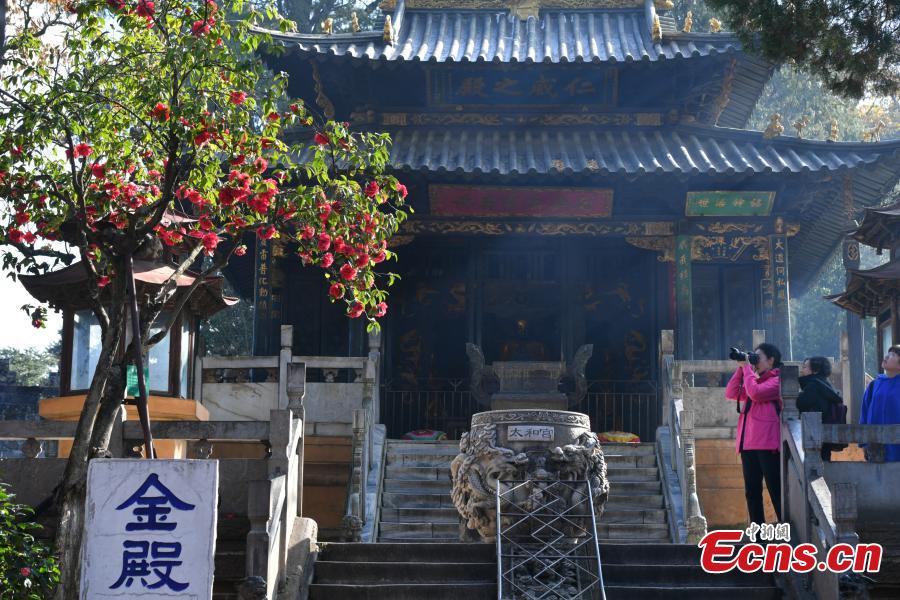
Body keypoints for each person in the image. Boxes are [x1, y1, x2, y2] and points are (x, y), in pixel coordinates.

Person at [725, 343, 783, 526]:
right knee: (752, 492)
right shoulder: (754, 379)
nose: (754, 362)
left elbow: (756, 394)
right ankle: (759, 537)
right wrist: (742, 369)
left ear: (771, 360)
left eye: (758, 358)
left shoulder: (778, 381)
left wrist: (748, 369)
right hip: (747, 444)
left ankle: (788, 529)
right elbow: (731, 392)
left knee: (776, 490)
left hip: (767, 444)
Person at [798, 356, 843, 462]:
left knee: (814, 471)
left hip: (813, 437)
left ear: (816, 370)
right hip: (825, 436)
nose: (802, 370)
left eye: (805, 367)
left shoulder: (813, 386)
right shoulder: (826, 385)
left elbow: (799, 405)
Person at [860, 345, 900, 462]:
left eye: (893, 355)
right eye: (888, 353)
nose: (887, 356)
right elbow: (864, 413)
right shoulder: (874, 385)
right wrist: (863, 443)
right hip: (875, 446)